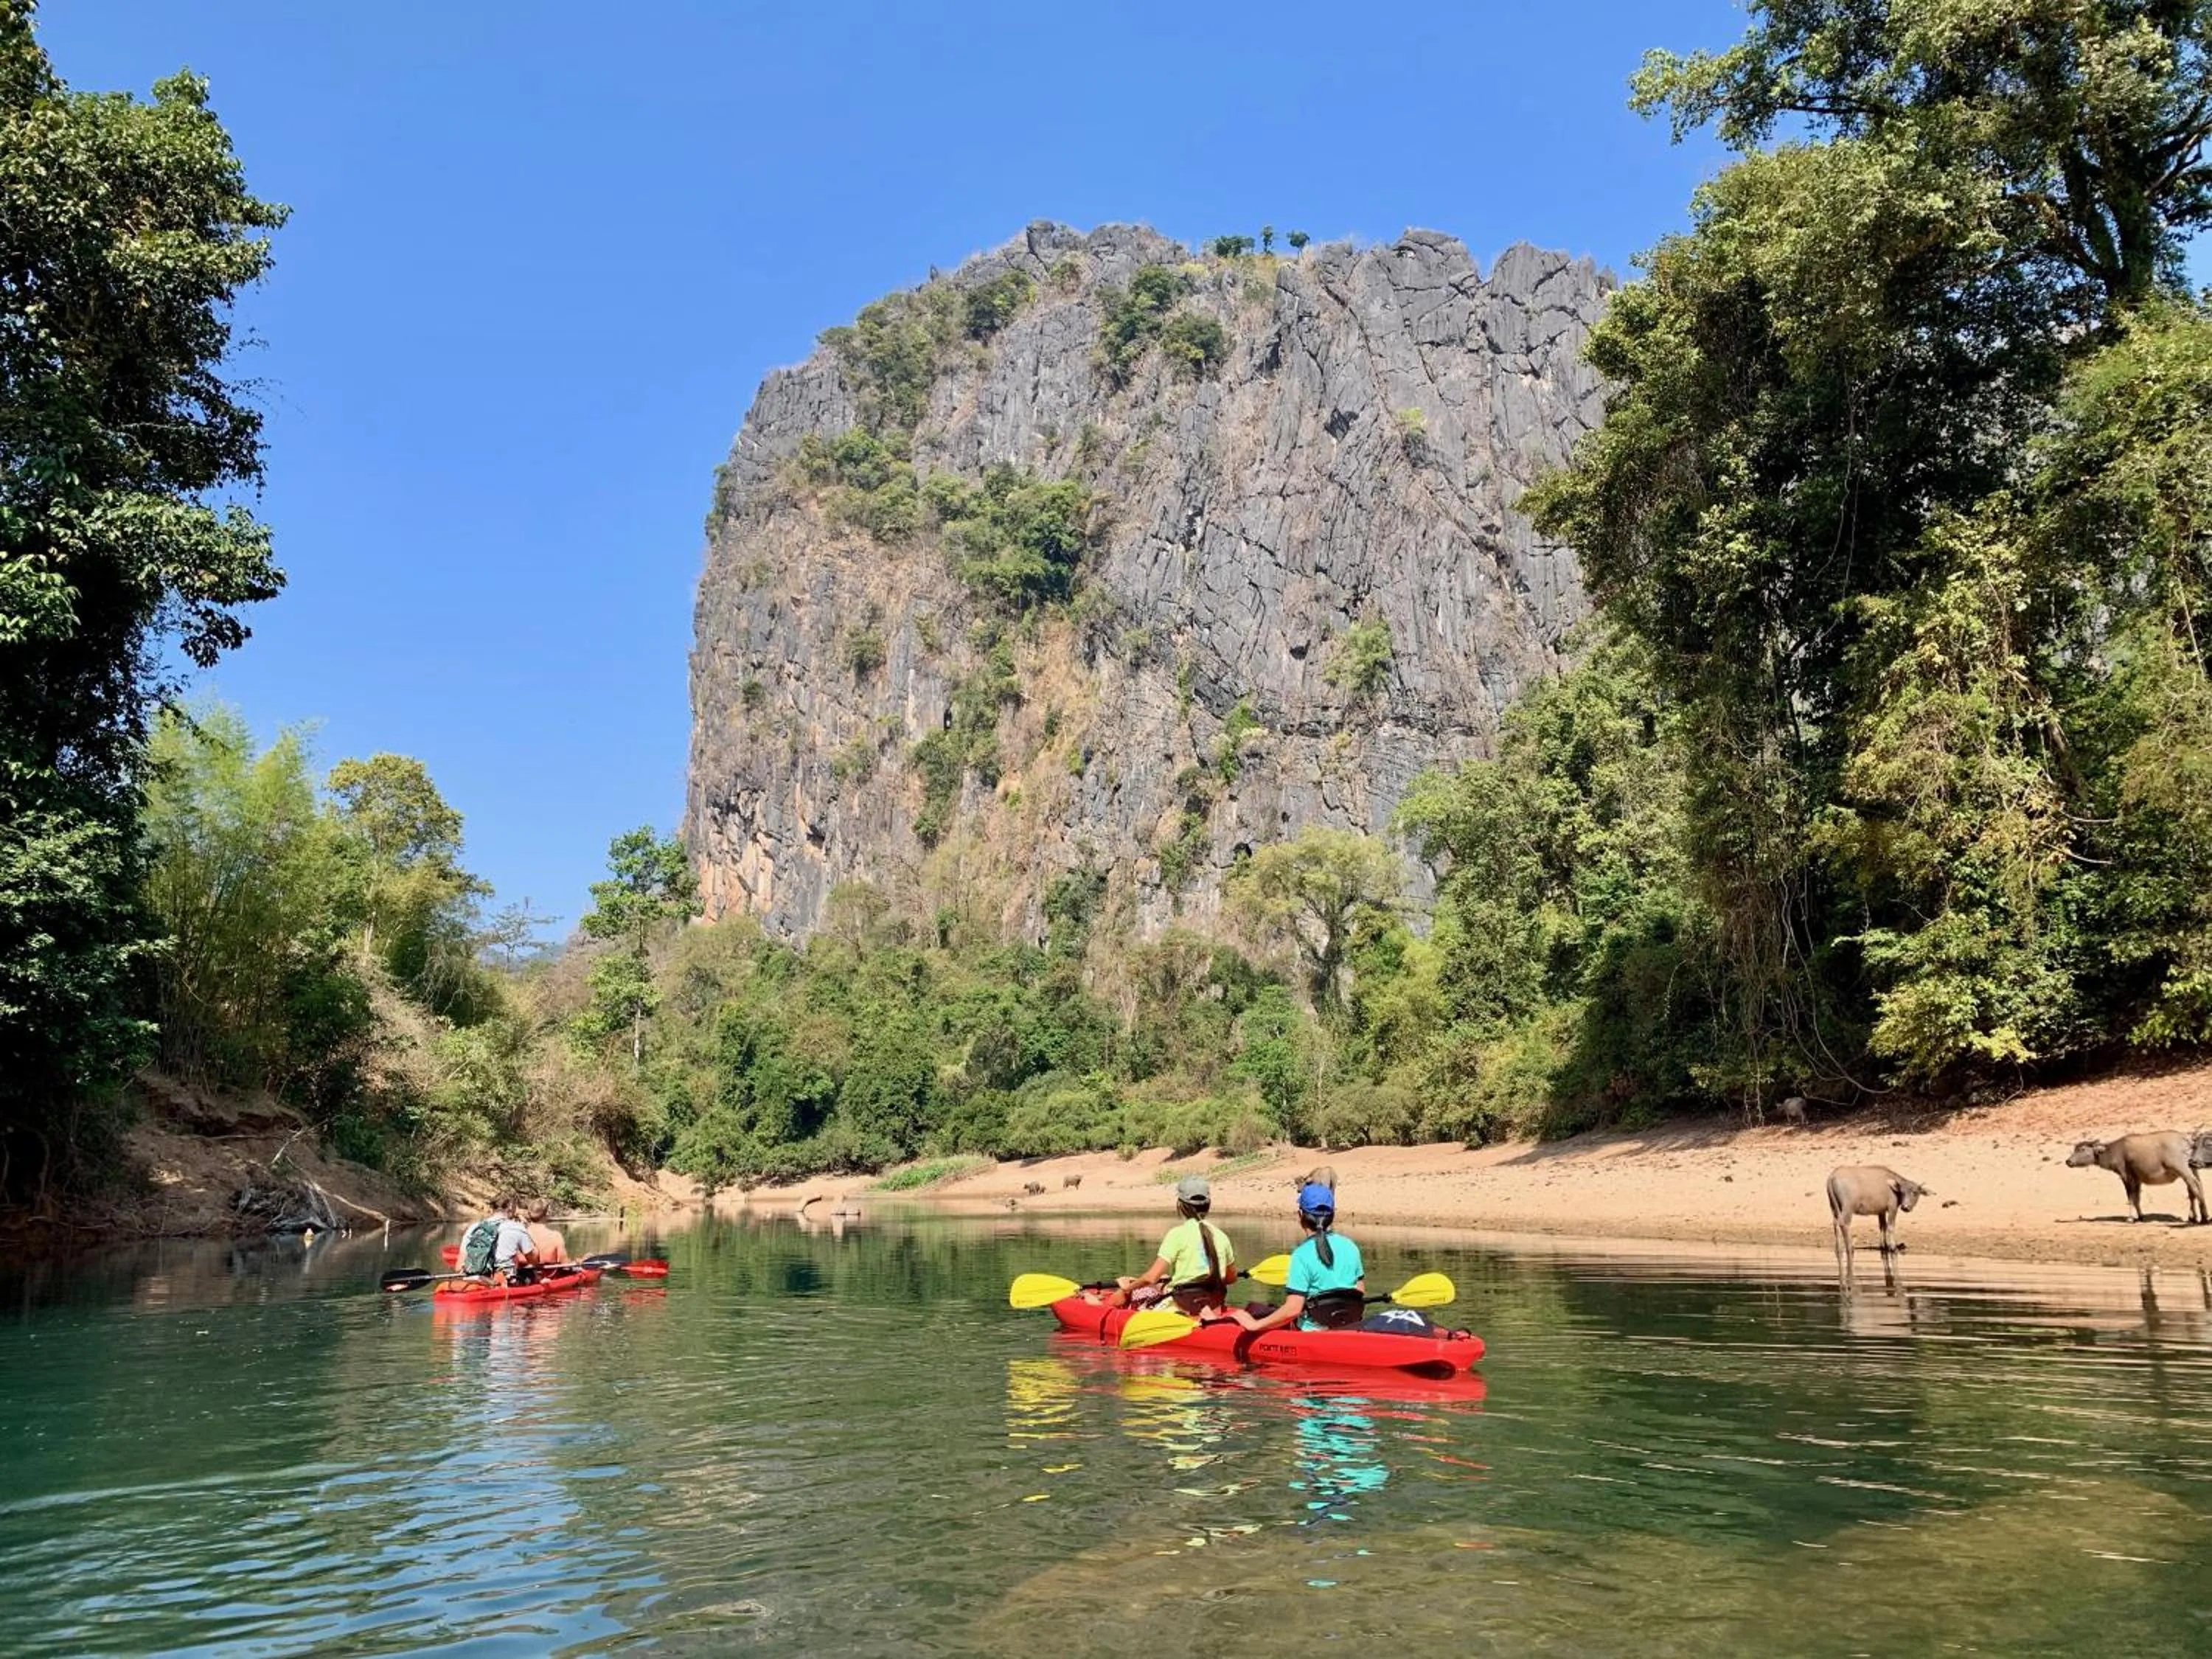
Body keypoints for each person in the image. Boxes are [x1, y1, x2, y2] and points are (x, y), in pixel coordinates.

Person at [1216, 1182, 1365, 1334]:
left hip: (1310, 1333)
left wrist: (1256, 1325)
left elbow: (1293, 1309)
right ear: (1332, 1215)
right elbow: (1359, 1293)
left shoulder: (1301, 1254)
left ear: (1300, 1216)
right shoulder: (1351, 1247)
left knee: (1259, 1309)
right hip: (1349, 1330)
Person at [1107, 1175, 1237, 1314]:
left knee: (1124, 1296)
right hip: (1213, 1304)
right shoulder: (1222, 1236)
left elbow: (1151, 1277)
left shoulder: (1177, 1234)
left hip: (1182, 1306)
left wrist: (1127, 1287)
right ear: (1208, 1204)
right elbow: (1231, 1278)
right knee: (1161, 1283)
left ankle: (1096, 1304)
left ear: (1180, 1205)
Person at [456, 1195, 541, 1286]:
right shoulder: (516, 1227)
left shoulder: (474, 1227)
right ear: (511, 1207)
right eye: (516, 1207)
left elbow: (458, 1267)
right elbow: (534, 1260)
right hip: (503, 1280)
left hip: (473, 1277)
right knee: (533, 1275)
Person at [524, 1197, 566, 1264]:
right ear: (546, 1214)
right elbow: (564, 1263)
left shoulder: (522, 1234)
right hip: (551, 1273)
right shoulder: (556, 1236)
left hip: (528, 1273)